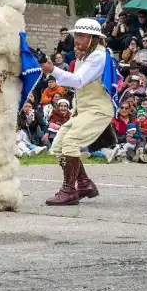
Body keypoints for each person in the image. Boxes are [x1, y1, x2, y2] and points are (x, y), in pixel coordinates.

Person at [40, 18, 117, 206]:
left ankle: (69, 191)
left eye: (82, 36)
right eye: (76, 36)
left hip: (98, 111)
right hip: (84, 111)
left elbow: (78, 81)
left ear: (94, 38)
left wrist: (53, 70)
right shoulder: (86, 56)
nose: (77, 40)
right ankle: (83, 183)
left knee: (70, 141)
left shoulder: (98, 56)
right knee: (58, 146)